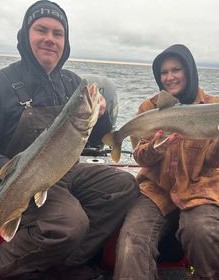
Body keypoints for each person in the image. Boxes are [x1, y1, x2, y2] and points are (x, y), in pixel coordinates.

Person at [0, 1, 139, 279]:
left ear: (65, 41)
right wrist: (12, 173)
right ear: (26, 35)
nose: (50, 39)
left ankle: (64, 262)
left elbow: (97, 138)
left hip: (66, 170)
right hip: (23, 179)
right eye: (42, 30)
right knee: (70, 224)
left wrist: (99, 116)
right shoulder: (4, 82)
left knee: (123, 186)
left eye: (58, 33)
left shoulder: (73, 82)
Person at [113, 44, 219, 280]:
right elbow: (139, 155)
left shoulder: (213, 106)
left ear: (189, 71)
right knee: (132, 240)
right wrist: (155, 149)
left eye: (176, 69)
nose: (169, 77)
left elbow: (214, 160)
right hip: (155, 190)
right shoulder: (148, 108)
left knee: (202, 232)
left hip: (200, 188)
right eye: (163, 72)